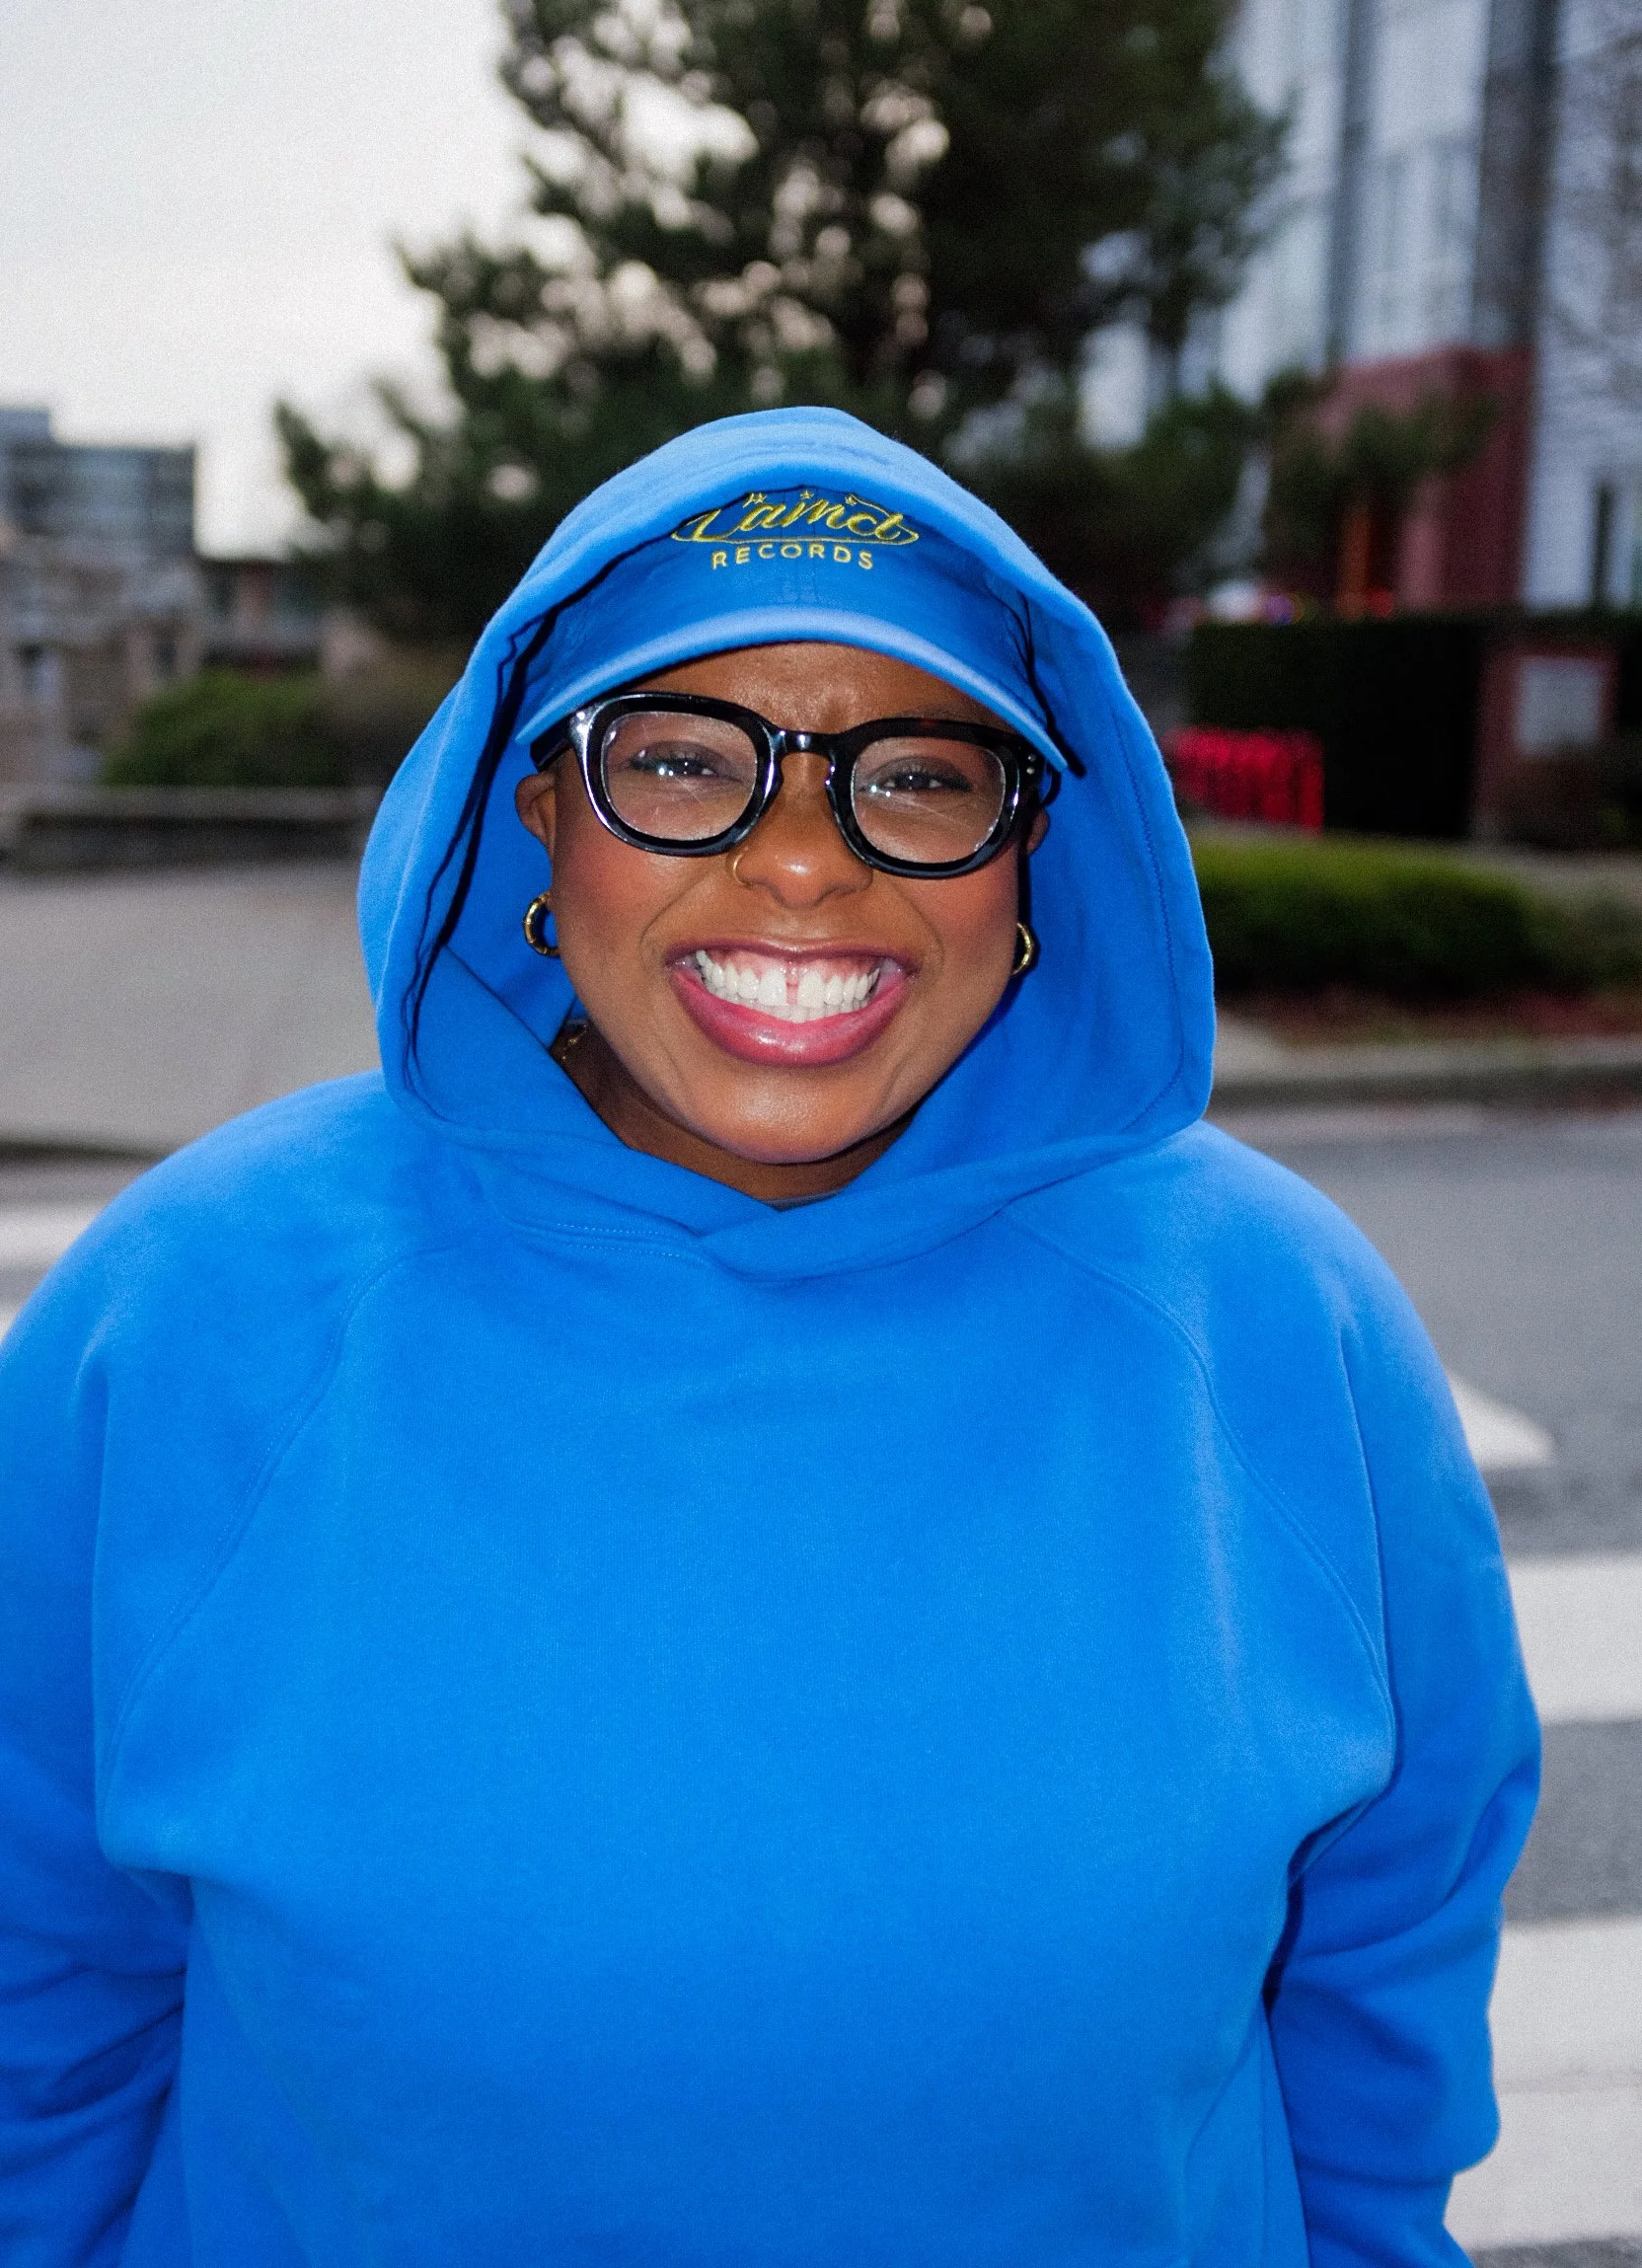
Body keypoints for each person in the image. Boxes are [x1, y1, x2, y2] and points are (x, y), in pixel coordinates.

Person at [0, 408, 1536, 2267]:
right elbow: (39, 1987)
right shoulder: (180, 1315)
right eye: (678, 759)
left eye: (920, 774)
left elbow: (1392, 1951)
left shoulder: (1283, 1326)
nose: (804, 860)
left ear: (1035, 858)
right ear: (537, 814)